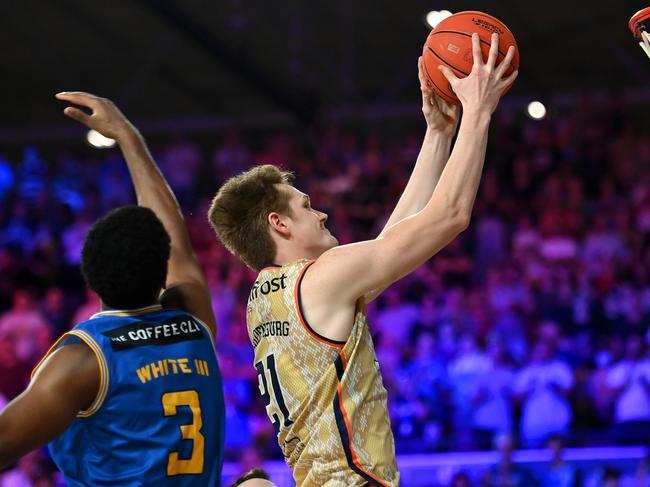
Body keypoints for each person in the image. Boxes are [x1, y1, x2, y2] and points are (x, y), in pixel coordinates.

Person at [209, 33, 517, 486]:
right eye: (306, 205)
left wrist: (438, 135)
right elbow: (448, 216)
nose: (322, 212)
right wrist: (478, 113)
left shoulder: (264, 297)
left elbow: (392, 243)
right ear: (279, 224)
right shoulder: (320, 279)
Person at [0, 92, 224, 485]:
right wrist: (128, 136)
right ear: (161, 275)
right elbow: (172, 233)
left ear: (90, 277)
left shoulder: (83, 361)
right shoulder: (194, 321)